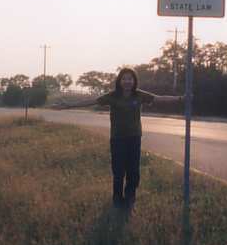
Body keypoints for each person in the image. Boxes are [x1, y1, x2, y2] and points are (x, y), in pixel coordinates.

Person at [55, 68, 183, 208]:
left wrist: (180, 98)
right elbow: (92, 101)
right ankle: (117, 199)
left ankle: (130, 197)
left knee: (133, 170)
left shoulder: (139, 95)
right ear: (120, 81)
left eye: (130, 79)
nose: (127, 81)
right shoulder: (112, 96)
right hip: (117, 139)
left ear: (134, 81)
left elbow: (159, 98)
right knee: (118, 170)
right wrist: (69, 105)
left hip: (134, 138)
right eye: (124, 79)